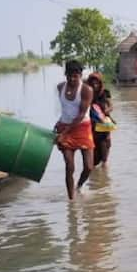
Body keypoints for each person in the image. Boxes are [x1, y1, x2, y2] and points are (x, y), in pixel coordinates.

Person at [55, 60, 95, 200]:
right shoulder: (60, 87)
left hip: (82, 127)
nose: (72, 79)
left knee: (89, 167)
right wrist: (59, 125)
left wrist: (64, 133)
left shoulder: (86, 90)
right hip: (64, 127)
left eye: (75, 76)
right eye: (69, 76)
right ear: (65, 74)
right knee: (69, 166)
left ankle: (79, 186)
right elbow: (66, 110)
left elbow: (80, 115)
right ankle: (71, 199)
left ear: (80, 75)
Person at [86, 72, 113, 167]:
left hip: (104, 122)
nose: (95, 86)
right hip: (92, 124)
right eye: (93, 84)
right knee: (95, 149)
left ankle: (104, 168)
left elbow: (111, 106)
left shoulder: (105, 93)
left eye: (97, 83)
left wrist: (106, 111)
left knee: (106, 144)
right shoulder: (87, 93)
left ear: (100, 83)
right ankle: (95, 172)